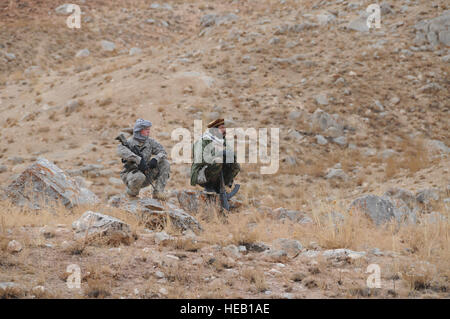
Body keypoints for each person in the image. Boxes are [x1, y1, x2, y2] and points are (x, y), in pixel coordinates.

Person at [117, 118, 170, 200]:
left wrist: (155, 159)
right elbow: (120, 151)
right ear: (139, 130)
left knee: (165, 163)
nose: (148, 131)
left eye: (149, 129)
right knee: (139, 177)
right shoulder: (129, 142)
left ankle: (158, 192)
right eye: (146, 130)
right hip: (131, 175)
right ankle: (132, 193)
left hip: (146, 172)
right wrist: (138, 160)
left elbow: (163, 152)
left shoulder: (150, 141)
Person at [190, 118, 240, 193]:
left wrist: (230, 156)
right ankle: (209, 186)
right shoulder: (203, 141)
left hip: (217, 173)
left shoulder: (223, 142)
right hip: (201, 174)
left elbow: (232, 157)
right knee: (218, 161)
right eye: (222, 128)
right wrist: (217, 155)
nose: (225, 130)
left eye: (225, 128)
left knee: (235, 165)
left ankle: (221, 186)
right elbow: (199, 160)